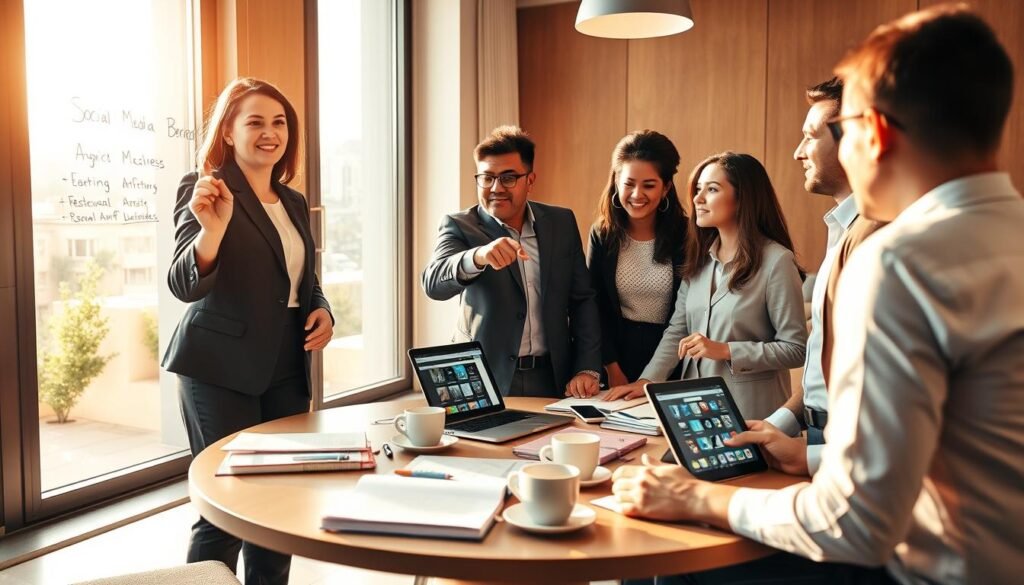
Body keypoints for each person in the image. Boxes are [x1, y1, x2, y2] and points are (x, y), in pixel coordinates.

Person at [611, 6, 1024, 584]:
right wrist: (801, 448)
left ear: (873, 133)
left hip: (928, 570)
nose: (804, 151)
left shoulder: (901, 262)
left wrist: (698, 500)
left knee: (664, 557)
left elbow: (854, 520)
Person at [162, 77, 334, 585]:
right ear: (229, 133)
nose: (269, 132)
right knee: (227, 507)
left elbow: (301, 275)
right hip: (217, 368)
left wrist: (321, 307)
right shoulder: (206, 188)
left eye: (278, 122)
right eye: (254, 122)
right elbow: (183, 283)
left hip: (285, 366)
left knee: (278, 505)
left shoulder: (294, 201)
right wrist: (212, 232)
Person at [605, 152, 807, 421]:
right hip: (696, 411)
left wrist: (726, 350)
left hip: (754, 414)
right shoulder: (699, 258)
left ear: (743, 197)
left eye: (711, 189)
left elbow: (796, 349)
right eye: (698, 189)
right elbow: (678, 330)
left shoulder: (776, 261)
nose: (698, 199)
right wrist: (648, 380)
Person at [754, 77, 884, 475]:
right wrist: (778, 424)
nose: (798, 153)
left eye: (810, 136)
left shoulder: (879, 238)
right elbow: (821, 364)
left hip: (849, 453)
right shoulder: (843, 229)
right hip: (816, 437)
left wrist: (811, 457)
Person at [421, 125, 601, 398]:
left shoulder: (561, 222)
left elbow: (582, 300)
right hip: (484, 378)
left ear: (530, 180)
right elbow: (433, 282)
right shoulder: (460, 226)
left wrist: (587, 367)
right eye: (487, 177)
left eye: (508, 178)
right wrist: (477, 257)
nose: (496, 188)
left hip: (553, 378)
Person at [587, 131, 688, 388]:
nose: (636, 194)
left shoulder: (688, 235)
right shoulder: (603, 233)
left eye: (649, 185)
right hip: (616, 358)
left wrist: (658, 372)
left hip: (672, 355)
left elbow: (687, 313)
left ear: (666, 187)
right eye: (629, 183)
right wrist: (612, 368)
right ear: (616, 182)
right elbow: (594, 305)